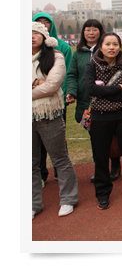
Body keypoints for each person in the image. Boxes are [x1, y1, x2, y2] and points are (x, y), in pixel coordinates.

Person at [85, 33, 122, 209]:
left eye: (115, 44)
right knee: (101, 157)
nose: (111, 47)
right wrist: (117, 88)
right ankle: (102, 193)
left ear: (120, 46)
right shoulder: (92, 65)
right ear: (101, 47)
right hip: (99, 117)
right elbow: (90, 89)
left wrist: (104, 93)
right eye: (107, 44)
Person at [32, 22, 79, 219]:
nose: (31, 36)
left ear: (45, 37)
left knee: (59, 158)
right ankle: (33, 203)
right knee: (29, 162)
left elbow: (52, 85)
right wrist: (36, 82)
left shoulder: (55, 56)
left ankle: (68, 198)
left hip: (49, 114)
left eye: (36, 33)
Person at [66, 19, 121, 183]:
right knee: (95, 138)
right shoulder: (78, 54)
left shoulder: (106, 50)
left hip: (106, 99)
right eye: (87, 29)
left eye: (94, 29)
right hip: (86, 103)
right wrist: (71, 92)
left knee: (111, 135)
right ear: (83, 33)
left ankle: (115, 164)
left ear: (100, 31)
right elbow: (72, 75)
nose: (91, 33)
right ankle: (100, 169)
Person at [32, 13, 72, 186]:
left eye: (46, 22)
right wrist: (37, 81)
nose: (43, 24)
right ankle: (41, 174)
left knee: (58, 148)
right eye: (38, 22)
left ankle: (59, 175)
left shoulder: (61, 49)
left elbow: (60, 78)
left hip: (53, 104)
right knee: (32, 154)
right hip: (30, 111)